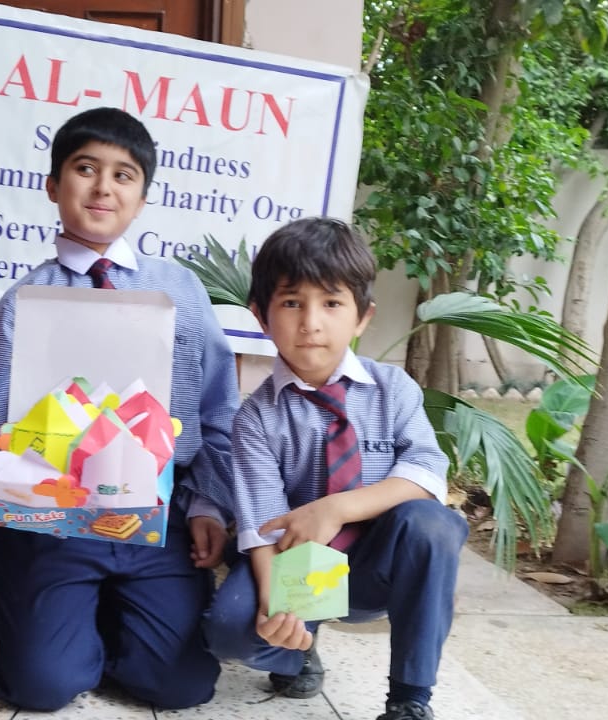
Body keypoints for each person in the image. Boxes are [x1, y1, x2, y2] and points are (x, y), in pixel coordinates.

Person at [0, 107, 239, 711]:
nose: (103, 187)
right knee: (42, 687)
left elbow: (217, 409)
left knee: (181, 687)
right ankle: (66, 616)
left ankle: (109, 615)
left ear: (142, 196)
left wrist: (207, 505)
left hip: (159, 519)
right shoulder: (24, 301)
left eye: (124, 175)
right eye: (85, 168)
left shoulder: (179, 290)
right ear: (53, 185)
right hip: (58, 524)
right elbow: (8, 431)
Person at [201, 217, 468, 720]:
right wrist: (278, 604)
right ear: (261, 316)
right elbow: (260, 527)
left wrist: (335, 509)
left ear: (362, 316)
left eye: (331, 302)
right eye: (291, 302)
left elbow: (429, 471)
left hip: (377, 567)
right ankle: (298, 647)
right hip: (295, 563)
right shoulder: (256, 418)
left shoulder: (395, 390)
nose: (311, 322)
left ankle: (410, 699)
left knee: (431, 524)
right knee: (232, 627)